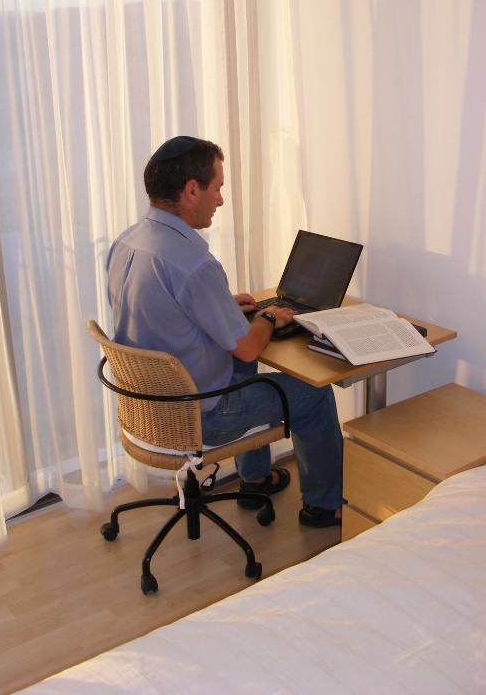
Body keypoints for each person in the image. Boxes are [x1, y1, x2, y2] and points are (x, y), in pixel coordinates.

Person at [106, 136, 343, 527]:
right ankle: (322, 506)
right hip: (198, 416)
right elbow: (249, 348)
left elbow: (156, 309)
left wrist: (220, 307)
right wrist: (269, 318)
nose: (220, 200)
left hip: (148, 405)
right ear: (191, 190)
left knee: (239, 365)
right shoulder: (194, 263)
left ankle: (255, 481)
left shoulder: (127, 243)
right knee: (315, 392)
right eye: (217, 189)